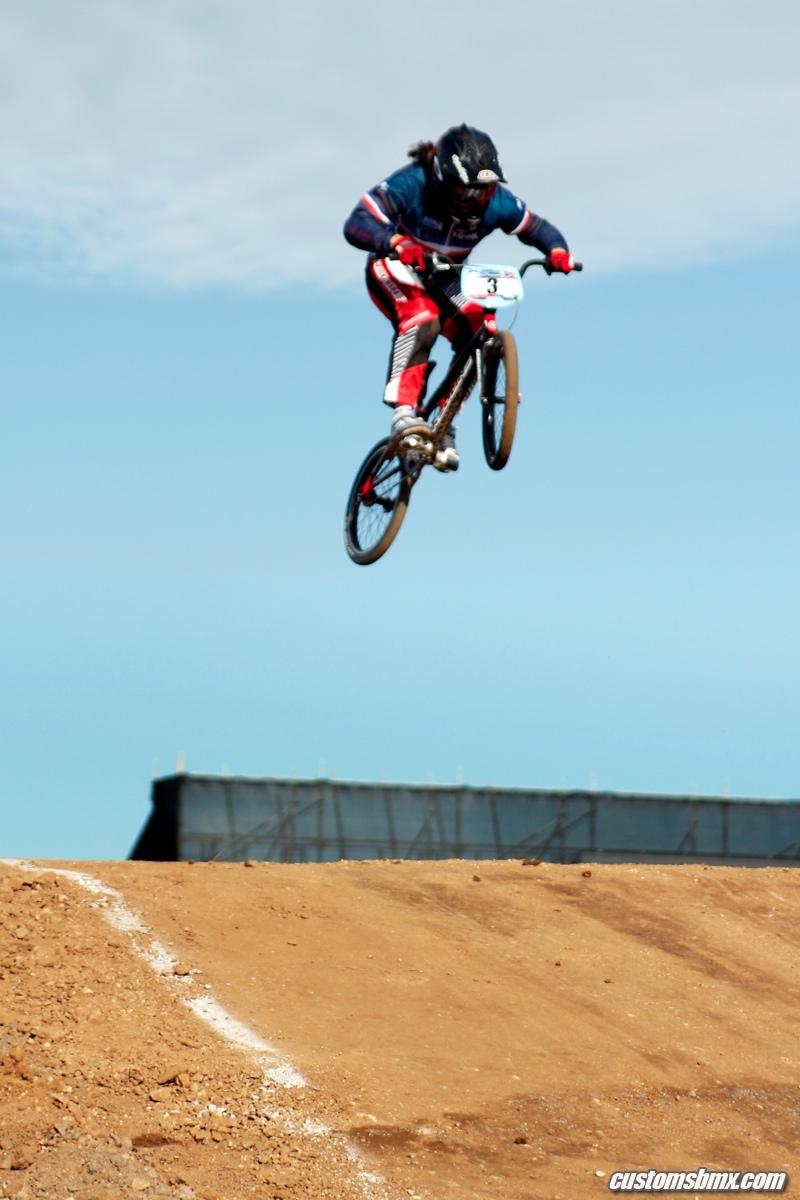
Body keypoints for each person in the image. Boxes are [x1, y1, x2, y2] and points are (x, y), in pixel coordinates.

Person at [343, 123, 575, 471]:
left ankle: (445, 420)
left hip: (444, 273)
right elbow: (357, 222)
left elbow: (536, 228)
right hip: (394, 265)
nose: (476, 200)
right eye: (466, 190)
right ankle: (404, 413)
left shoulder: (498, 203)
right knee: (422, 316)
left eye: (484, 190)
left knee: (478, 329)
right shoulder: (413, 183)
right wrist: (395, 242)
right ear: (442, 178)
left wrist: (557, 250)